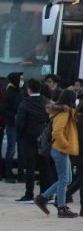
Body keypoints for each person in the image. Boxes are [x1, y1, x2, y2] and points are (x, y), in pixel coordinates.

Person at [34, 89, 79, 218]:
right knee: (64, 179)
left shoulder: (62, 112)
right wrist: (66, 144)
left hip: (60, 149)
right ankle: (61, 207)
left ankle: (43, 198)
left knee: (67, 179)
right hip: (60, 149)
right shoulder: (64, 113)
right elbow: (57, 132)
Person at [14, 78, 52, 204]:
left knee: (29, 166)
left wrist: (21, 134)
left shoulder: (25, 103)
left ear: (29, 89)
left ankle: (29, 194)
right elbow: (50, 120)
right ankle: (45, 194)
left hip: (29, 136)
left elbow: (19, 123)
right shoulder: (46, 102)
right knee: (44, 166)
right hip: (43, 136)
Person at [1, 72, 24, 183]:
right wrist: (15, 116)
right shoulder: (8, 93)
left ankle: (21, 175)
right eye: (20, 79)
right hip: (12, 125)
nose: (21, 81)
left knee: (21, 151)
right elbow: (3, 110)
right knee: (11, 150)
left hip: (22, 125)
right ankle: (8, 175)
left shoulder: (21, 91)